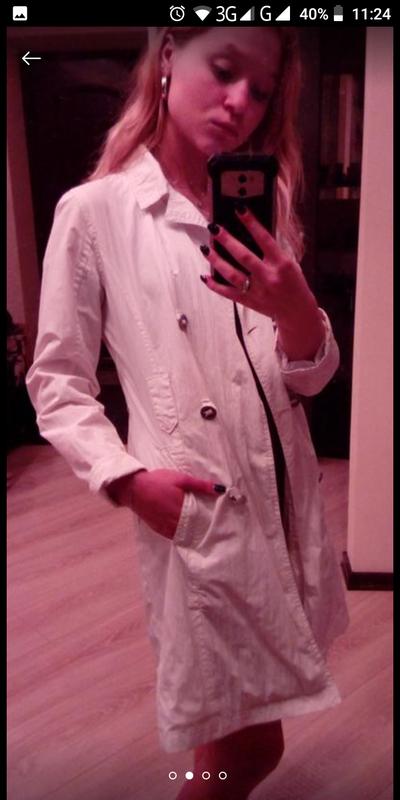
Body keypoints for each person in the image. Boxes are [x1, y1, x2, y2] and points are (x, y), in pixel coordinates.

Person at [26, 26, 349, 800]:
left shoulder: (263, 202)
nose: (239, 102)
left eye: (260, 91)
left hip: (282, 494)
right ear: (169, 57)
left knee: (233, 725)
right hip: (201, 509)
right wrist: (126, 480)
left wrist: (297, 311)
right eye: (225, 70)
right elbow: (57, 380)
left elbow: (306, 379)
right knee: (250, 747)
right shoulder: (96, 213)